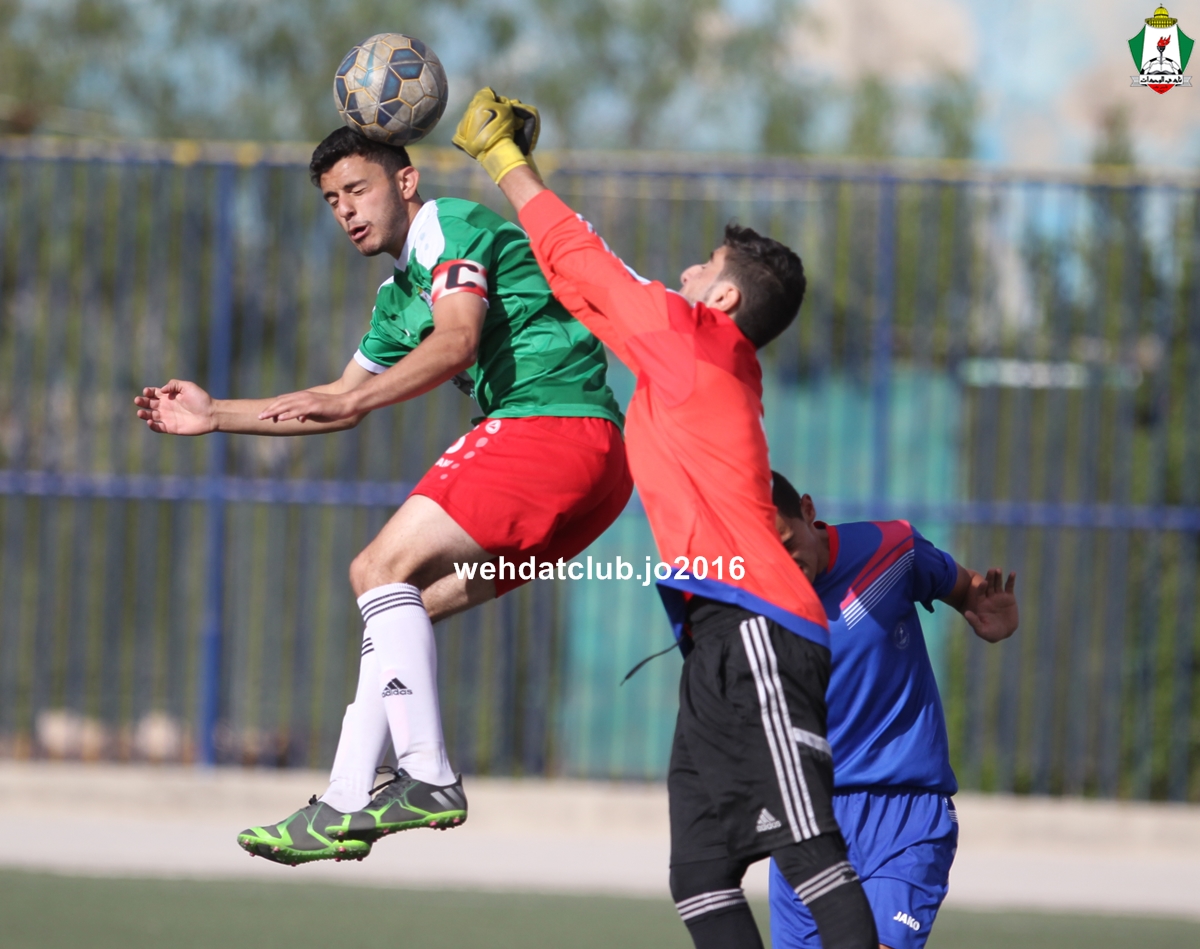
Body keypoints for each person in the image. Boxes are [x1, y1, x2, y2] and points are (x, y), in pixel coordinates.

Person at [133, 126, 631, 864]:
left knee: (375, 569)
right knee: (400, 610)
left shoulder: (447, 226)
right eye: (332, 200)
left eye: (357, 189)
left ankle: (428, 775)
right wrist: (215, 415)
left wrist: (352, 402)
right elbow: (337, 399)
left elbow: (457, 341)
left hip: (551, 426)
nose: (345, 209)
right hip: (595, 470)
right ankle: (342, 800)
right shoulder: (398, 299)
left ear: (404, 182)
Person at [452, 88, 878, 949]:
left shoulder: (697, 342)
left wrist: (507, 164)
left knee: (809, 849)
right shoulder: (692, 360)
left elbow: (589, 263)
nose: (682, 273)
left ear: (723, 299)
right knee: (702, 872)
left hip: (761, 628)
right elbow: (585, 290)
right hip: (717, 635)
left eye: (700, 266)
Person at [767, 472, 1018, 949]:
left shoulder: (892, 551)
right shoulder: (751, 595)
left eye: (787, 542)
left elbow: (965, 587)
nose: (782, 562)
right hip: (807, 818)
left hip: (905, 813)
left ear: (808, 510)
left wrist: (981, 605)